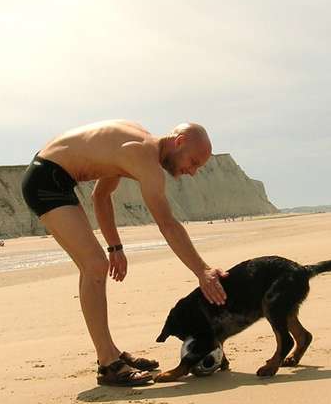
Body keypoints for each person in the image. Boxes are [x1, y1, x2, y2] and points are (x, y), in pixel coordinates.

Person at [21, 120, 228, 386]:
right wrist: (202, 270)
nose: (193, 171)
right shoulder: (144, 157)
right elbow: (167, 223)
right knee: (94, 266)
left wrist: (115, 246)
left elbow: (101, 196)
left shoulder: (133, 146)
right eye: (194, 162)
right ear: (179, 143)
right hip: (46, 180)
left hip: (52, 176)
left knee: (96, 264)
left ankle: (112, 353)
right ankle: (108, 364)